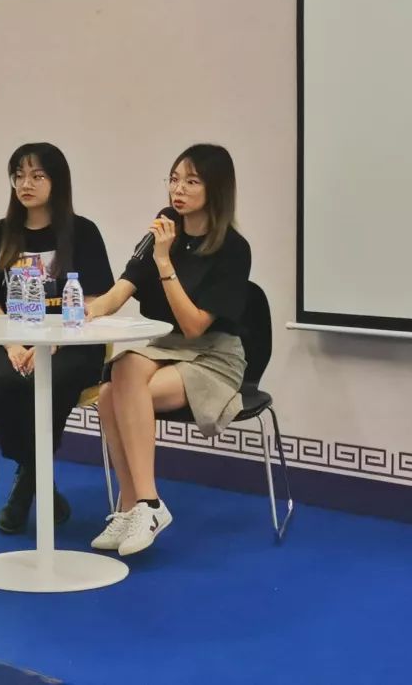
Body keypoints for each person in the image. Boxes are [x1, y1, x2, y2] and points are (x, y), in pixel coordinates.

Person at [86, 143, 250, 557]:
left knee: (117, 391)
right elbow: (120, 291)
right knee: (114, 383)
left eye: (192, 182)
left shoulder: (232, 248)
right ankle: (132, 507)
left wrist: (164, 262)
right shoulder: (163, 227)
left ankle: (148, 503)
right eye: (174, 179)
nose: (179, 190)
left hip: (213, 356)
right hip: (167, 346)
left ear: (215, 189)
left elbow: (194, 326)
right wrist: (83, 311)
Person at [0, 142, 114, 534]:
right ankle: (38, 476)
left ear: (57, 181)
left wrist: (53, 343)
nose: (25, 184)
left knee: (49, 382)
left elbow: (93, 302)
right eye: (18, 176)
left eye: (37, 175)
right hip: (14, 341)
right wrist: (12, 345)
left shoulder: (83, 233)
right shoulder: (0, 234)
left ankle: (24, 488)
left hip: (74, 343)